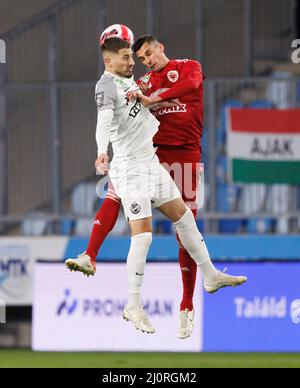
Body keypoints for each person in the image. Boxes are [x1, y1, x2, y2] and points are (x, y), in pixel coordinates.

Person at [65, 37, 247, 334]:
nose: (134, 62)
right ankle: (132, 304)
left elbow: (164, 94)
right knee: (143, 236)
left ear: (160, 47)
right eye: (127, 57)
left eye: (137, 55)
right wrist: (101, 151)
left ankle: (210, 275)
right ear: (109, 62)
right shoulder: (107, 86)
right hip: (131, 168)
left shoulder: (138, 80)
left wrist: (160, 99)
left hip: (151, 162)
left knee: (185, 219)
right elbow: (103, 121)